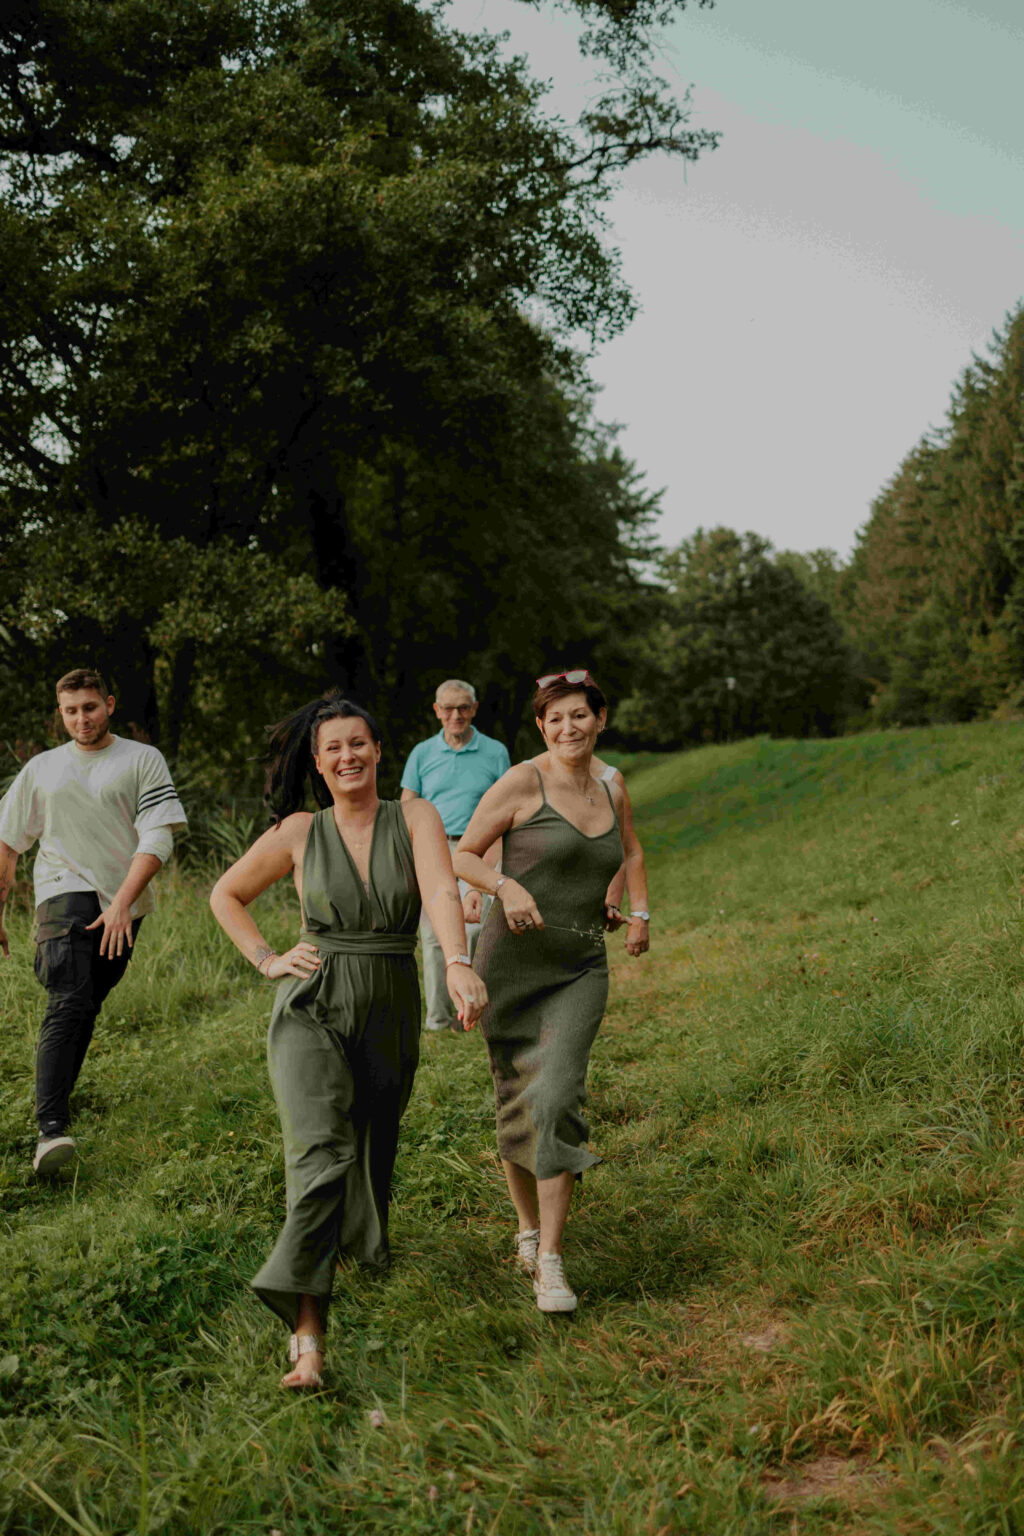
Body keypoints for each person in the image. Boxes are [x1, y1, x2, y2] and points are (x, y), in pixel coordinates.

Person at [210, 691, 487, 1390]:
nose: (347, 757)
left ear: (378, 749)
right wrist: (268, 960)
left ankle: (345, 1247)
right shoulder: (302, 831)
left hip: (390, 1000)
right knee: (320, 1153)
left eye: (357, 743)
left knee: (369, 1149)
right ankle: (307, 1336)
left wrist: (456, 962)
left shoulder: (414, 816)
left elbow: (441, 888)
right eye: (333, 747)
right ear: (317, 759)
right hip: (312, 1004)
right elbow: (224, 894)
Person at [453, 668, 650, 1315]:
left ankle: (551, 1260)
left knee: (557, 1093)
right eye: (555, 718)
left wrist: (624, 903)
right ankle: (527, 1228)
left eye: (580, 715)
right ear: (541, 727)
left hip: (579, 966)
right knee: (518, 1102)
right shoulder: (521, 782)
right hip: (511, 965)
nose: (569, 727)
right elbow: (461, 855)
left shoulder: (613, 784)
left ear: (600, 719)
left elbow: (627, 851)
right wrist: (504, 887)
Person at [0, 667, 187, 1175]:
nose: (81, 719)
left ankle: (57, 1106)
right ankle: (50, 1132)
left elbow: (158, 838)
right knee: (68, 995)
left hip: (123, 900)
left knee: (87, 1002)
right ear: (59, 714)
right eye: (70, 711)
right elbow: (8, 842)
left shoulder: (140, 759)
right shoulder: (42, 769)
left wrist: (124, 901)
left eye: (90, 707)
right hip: (61, 891)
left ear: (109, 703)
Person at [400, 679, 509, 1031]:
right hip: (434, 849)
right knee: (433, 937)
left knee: (476, 929)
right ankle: (438, 1019)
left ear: (474, 710)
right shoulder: (422, 754)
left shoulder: (494, 752)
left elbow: (506, 810)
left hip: (479, 848)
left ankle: (475, 1010)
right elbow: (407, 806)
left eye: (463, 707)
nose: (456, 715)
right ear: (437, 711)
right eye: (448, 708)